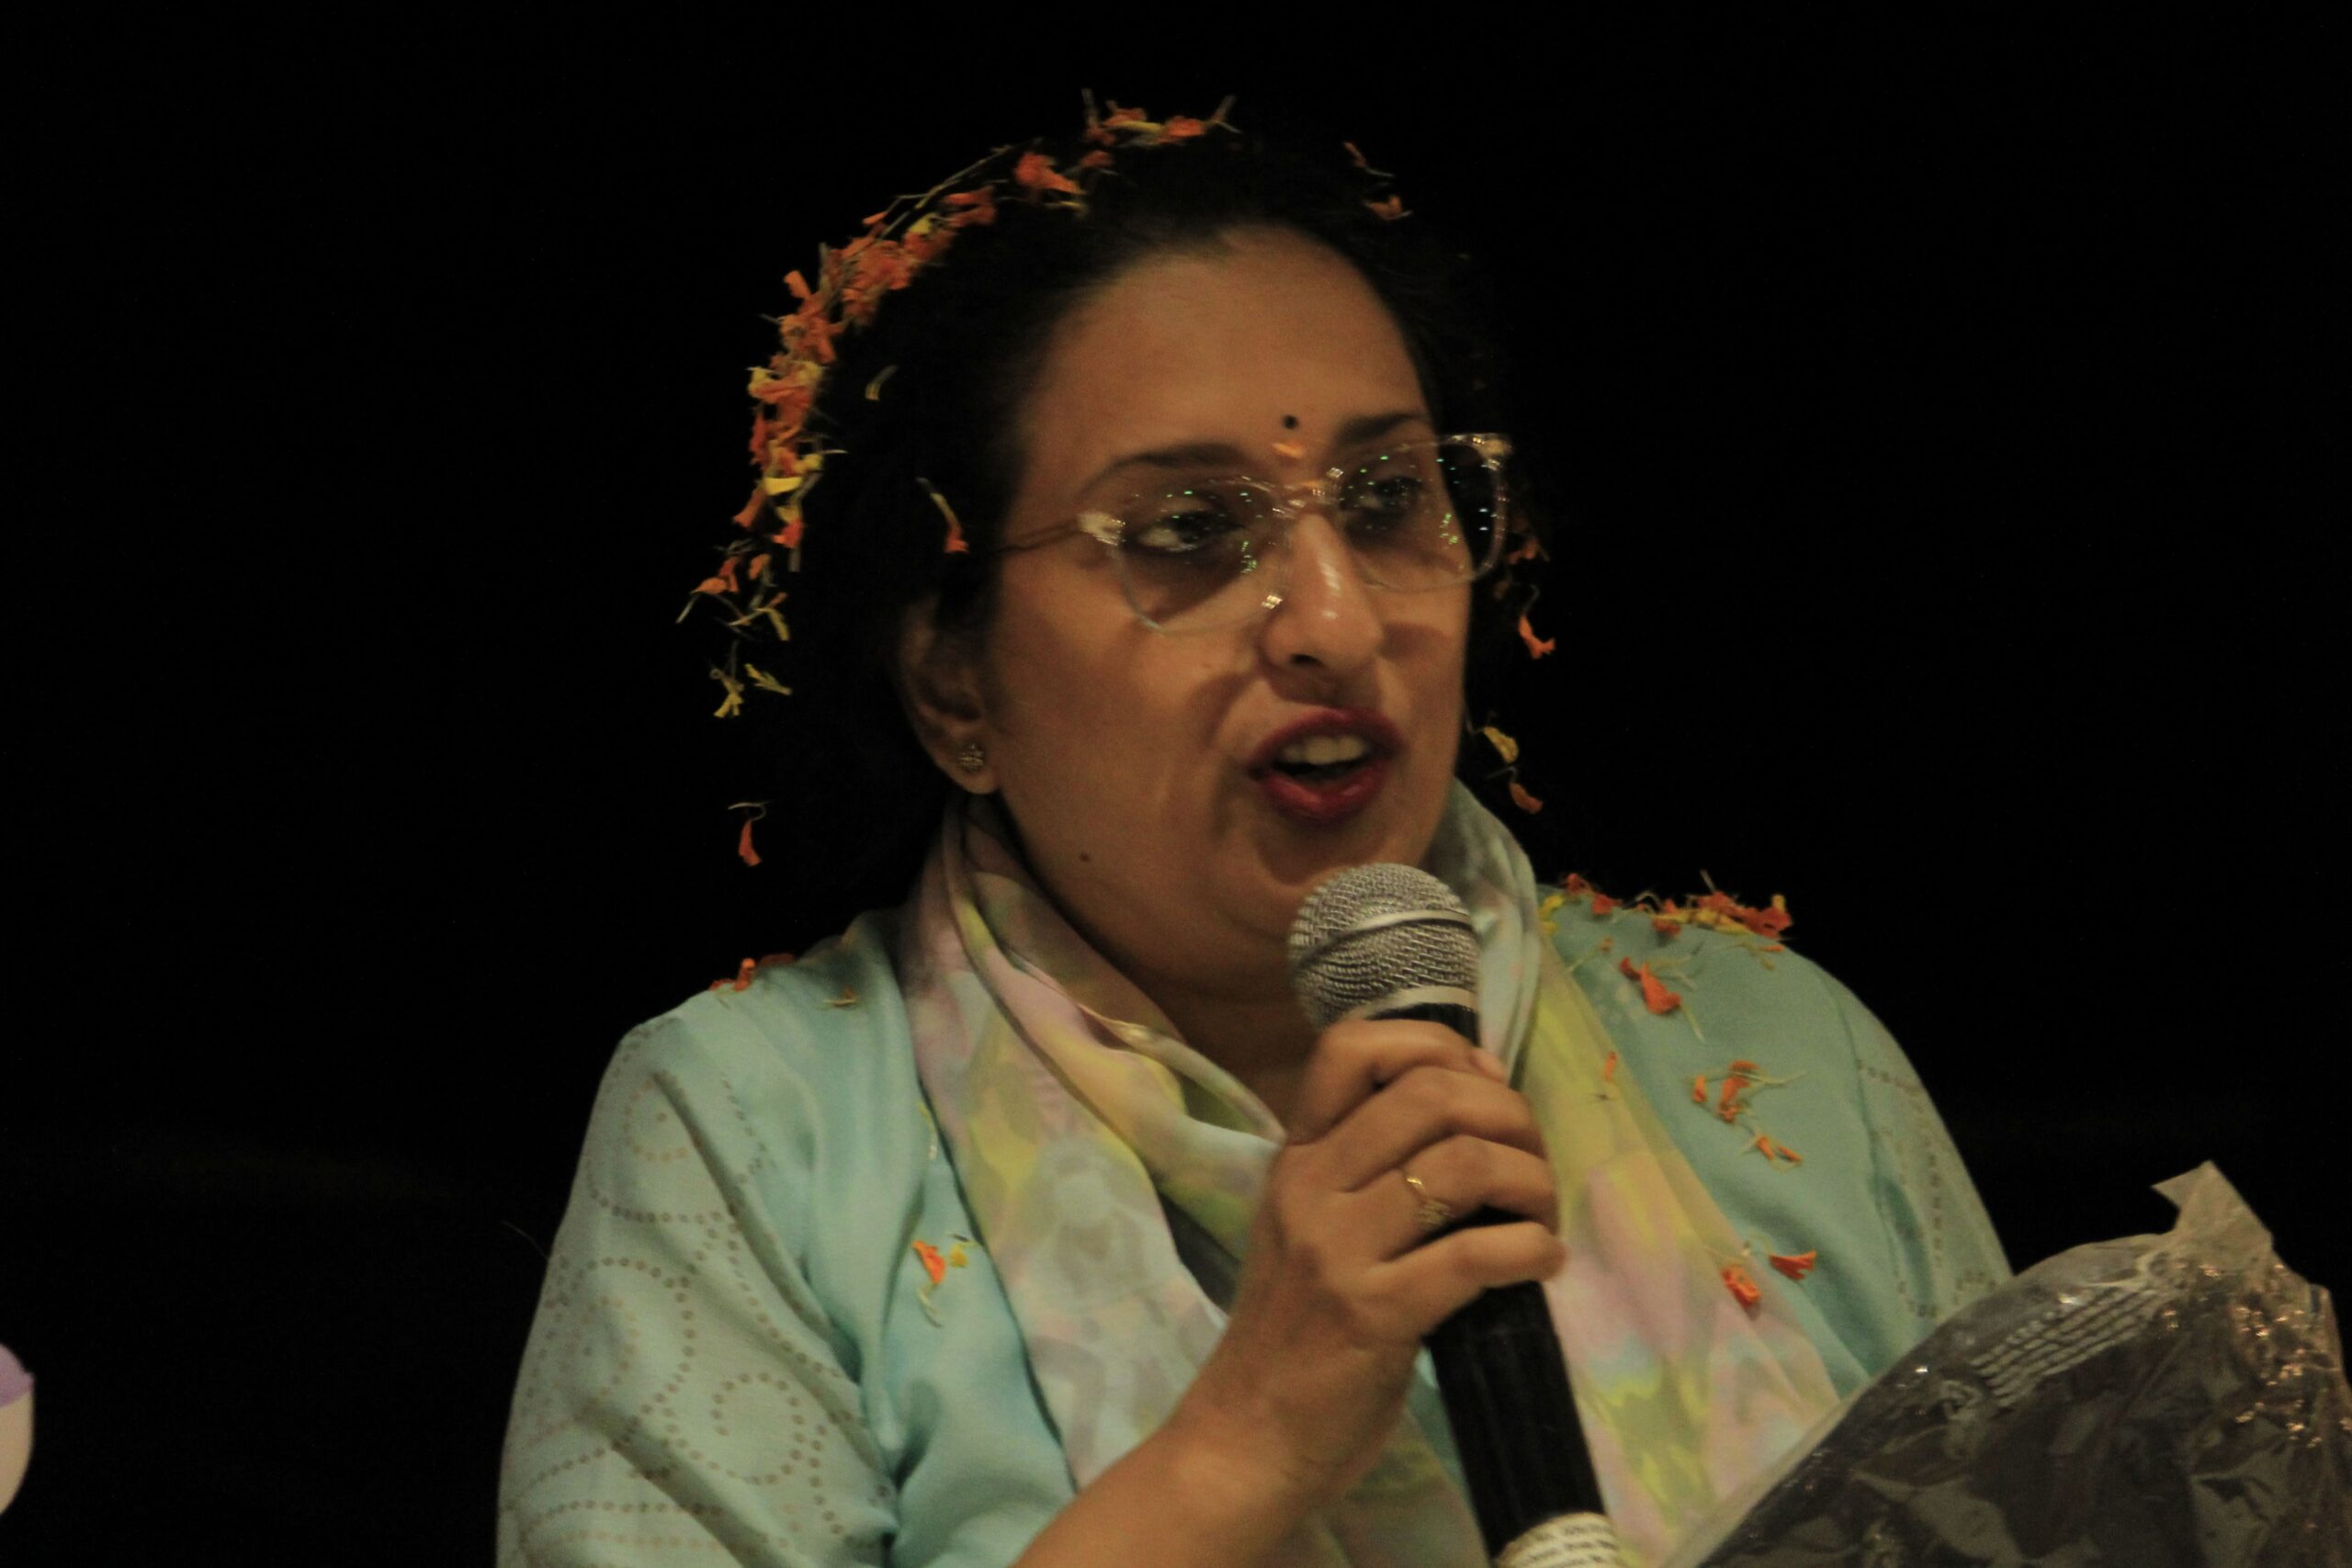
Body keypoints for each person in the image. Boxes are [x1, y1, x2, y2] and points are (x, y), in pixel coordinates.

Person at [495, 96, 2011, 1567]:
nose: (1336, 623)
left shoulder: (1773, 1051)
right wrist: (1249, 1438)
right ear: (955, 679)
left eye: (1388, 498)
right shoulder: (763, 1130)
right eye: (1189, 533)